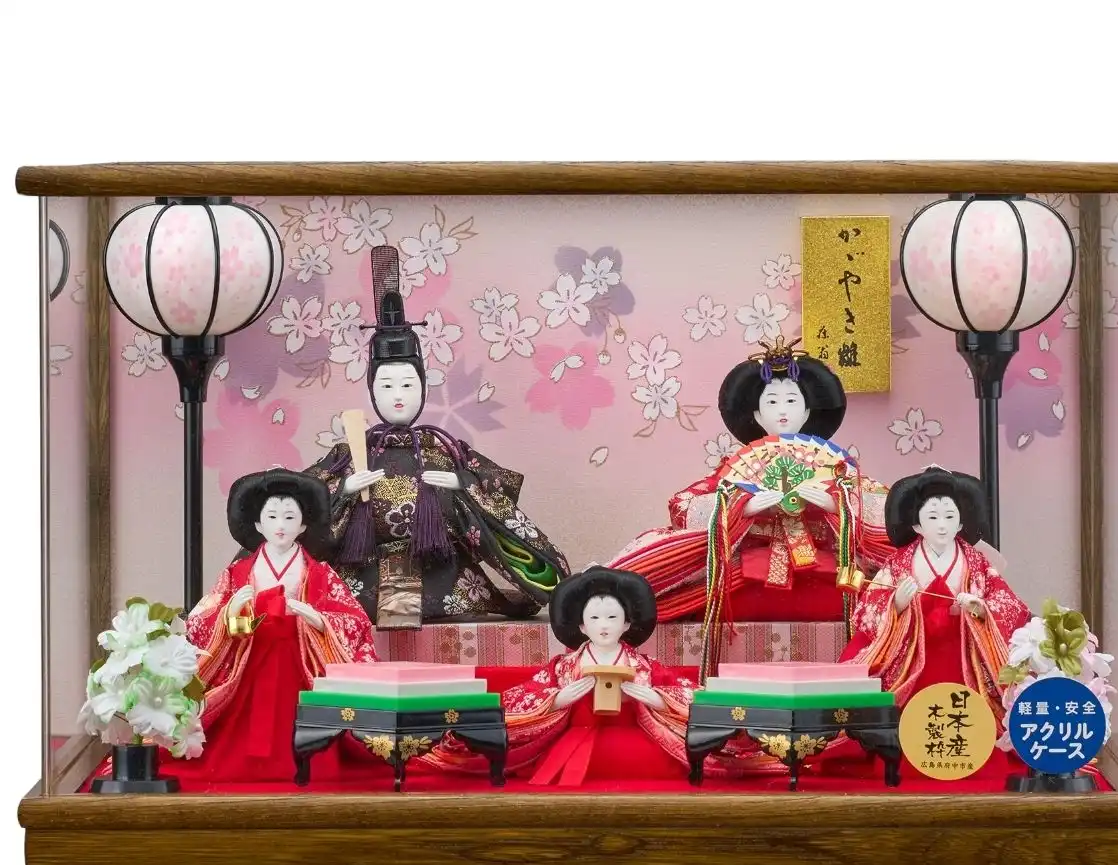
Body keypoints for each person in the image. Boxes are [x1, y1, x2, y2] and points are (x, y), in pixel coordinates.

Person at [305, 244, 569, 628]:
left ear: (424, 388)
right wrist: (344, 489)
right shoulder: (349, 454)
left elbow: (496, 485)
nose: (398, 395)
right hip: (363, 575)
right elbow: (300, 501)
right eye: (387, 385)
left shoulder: (445, 450)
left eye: (408, 384)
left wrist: (462, 484)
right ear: (371, 391)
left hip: (441, 575)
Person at [609, 336, 890, 627]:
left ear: (807, 410)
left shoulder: (837, 468)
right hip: (750, 570)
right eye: (772, 402)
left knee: (875, 592)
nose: (782, 411)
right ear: (757, 413)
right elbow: (682, 506)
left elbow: (884, 505)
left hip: (822, 569)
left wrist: (837, 503)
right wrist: (741, 506)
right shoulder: (734, 470)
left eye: (792, 401)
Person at [422, 567, 782, 786]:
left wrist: (658, 699)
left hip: (637, 738)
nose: (604, 626)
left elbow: (689, 693)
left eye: (612, 617)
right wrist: (556, 700)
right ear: (581, 625)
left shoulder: (646, 666)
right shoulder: (563, 666)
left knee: (665, 761)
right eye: (594, 618)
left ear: (627, 623)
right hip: (574, 736)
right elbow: (521, 697)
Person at [181, 468, 378, 782]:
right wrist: (230, 611)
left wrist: (318, 618)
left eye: (289, 517)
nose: (280, 526)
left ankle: (306, 765)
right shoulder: (237, 572)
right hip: (250, 659)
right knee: (239, 734)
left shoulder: (319, 573)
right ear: (258, 524)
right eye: (271, 517)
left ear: (303, 525)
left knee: (302, 719)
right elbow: (199, 621)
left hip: (300, 659)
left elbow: (355, 620)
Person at [840, 467, 1031, 724]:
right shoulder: (898, 563)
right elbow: (869, 607)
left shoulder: (977, 562)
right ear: (917, 525)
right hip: (911, 651)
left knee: (978, 715)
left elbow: (1008, 603)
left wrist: (981, 607)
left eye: (950, 516)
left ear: (960, 523)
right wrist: (896, 603)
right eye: (932, 517)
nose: (942, 525)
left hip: (966, 651)